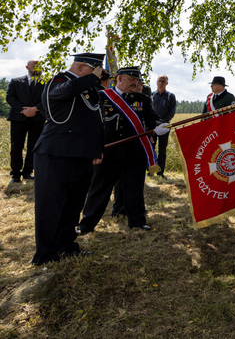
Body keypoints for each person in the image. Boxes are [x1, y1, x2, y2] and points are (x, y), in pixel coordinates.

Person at [31, 52, 106, 266]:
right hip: (56, 152)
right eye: (95, 71)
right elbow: (62, 93)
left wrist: (97, 149)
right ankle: (46, 254)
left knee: (74, 204)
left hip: (81, 154)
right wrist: (92, 78)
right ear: (82, 67)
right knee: (50, 204)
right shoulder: (60, 80)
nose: (98, 76)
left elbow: (96, 121)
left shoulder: (90, 89)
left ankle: (67, 246)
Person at [78, 66, 168, 234]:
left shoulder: (143, 99)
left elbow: (151, 118)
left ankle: (137, 222)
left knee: (134, 188)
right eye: (131, 80)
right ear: (119, 79)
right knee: (99, 190)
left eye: (137, 80)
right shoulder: (101, 97)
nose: (135, 83)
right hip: (108, 153)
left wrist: (158, 125)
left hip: (134, 153)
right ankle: (86, 225)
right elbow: (90, 124)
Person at [6, 60, 45, 183]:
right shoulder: (16, 81)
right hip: (18, 118)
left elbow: (47, 98)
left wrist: (35, 109)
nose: (37, 68)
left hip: (37, 118)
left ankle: (28, 172)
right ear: (27, 67)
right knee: (16, 146)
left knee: (33, 146)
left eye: (39, 66)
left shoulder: (45, 82)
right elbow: (10, 97)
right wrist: (24, 110)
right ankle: (16, 174)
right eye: (34, 66)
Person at [151, 75, 176, 178]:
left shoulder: (170, 96)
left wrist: (163, 122)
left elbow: (172, 111)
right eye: (159, 81)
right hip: (153, 127)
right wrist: (154, 123)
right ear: (156, 82)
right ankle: (151, 171)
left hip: (165, 127)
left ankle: (160, 173)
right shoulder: (152, 95)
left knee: (162, 150)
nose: (160, 83)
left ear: (167, 83)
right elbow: (149, 111)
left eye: (163, 81)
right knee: (151, 149)